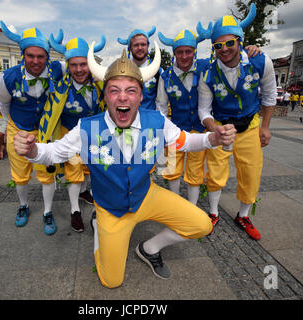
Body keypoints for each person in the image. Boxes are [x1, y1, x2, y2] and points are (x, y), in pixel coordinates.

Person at [13, 41, 236, 288]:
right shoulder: (87, 127)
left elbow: (185, 141)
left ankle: (149, 248)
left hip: (146, 196)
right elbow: (54, 152)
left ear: (140, 96)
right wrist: (33, 150)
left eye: (131, 90)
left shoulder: (157, 121)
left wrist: (212, 137)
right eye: (114, 90)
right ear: (105, 95)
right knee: (111, 281)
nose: (122, 97)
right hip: (111, 207)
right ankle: (100, 226)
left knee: (202, 224)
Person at [157, 25, 261, 205]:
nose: (184, 56)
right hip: (173, 131)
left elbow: (228, 56)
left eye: (188, 51)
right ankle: (173, 206)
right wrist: (164, 133)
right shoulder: (165, 76)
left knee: (195, 171)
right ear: (174, 53)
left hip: (199, 130)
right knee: (170, 169)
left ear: (194, 51)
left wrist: (249, 48)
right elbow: (161, 107)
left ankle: (192, 208)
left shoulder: (206, 67)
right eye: (179, 52)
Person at [198, 3, 277, 240]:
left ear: (240, 41)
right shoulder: (208, 73)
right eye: (218, 45)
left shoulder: (261, 62)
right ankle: (213, 213)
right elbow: (204, 109)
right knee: (215, 173)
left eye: (229, 43)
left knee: (251, 172)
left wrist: (265, 127)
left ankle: (243, 216)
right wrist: (215, 129)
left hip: (250, 125)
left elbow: (270, 94)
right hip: (222, 126)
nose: (224, 49)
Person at [0, 21, 65, 234]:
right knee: (20, 174)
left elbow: (78, 64)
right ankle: (23, 206)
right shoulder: (6, 78)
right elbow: (4, 105)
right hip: (17, 128)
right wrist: (15, 129)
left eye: (41, 56)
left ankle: (47, 211)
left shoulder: (58, 69)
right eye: (30, 56)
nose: (36, 61)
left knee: (46, 173)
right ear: (23, 55)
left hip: (44, 131)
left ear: (47, 56)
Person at [46, 34, 106, 232]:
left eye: (83, 64)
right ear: (67, 65)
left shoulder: (99, 84)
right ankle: (75, 211)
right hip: (68, 134)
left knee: (90, 169)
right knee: (74, 173)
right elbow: (48, 67)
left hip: (94, 134)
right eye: (73, 65)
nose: (79, 70)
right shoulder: (61, 85)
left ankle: (85, 192)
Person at [118, 26, 162, 110]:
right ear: (130, 48)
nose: (140, 48)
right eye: (136, 45)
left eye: (143, 44)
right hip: (125, 120)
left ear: (148, 45)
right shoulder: (121, 70)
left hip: (149, 120)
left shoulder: (158, 71)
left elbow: (161, 102)